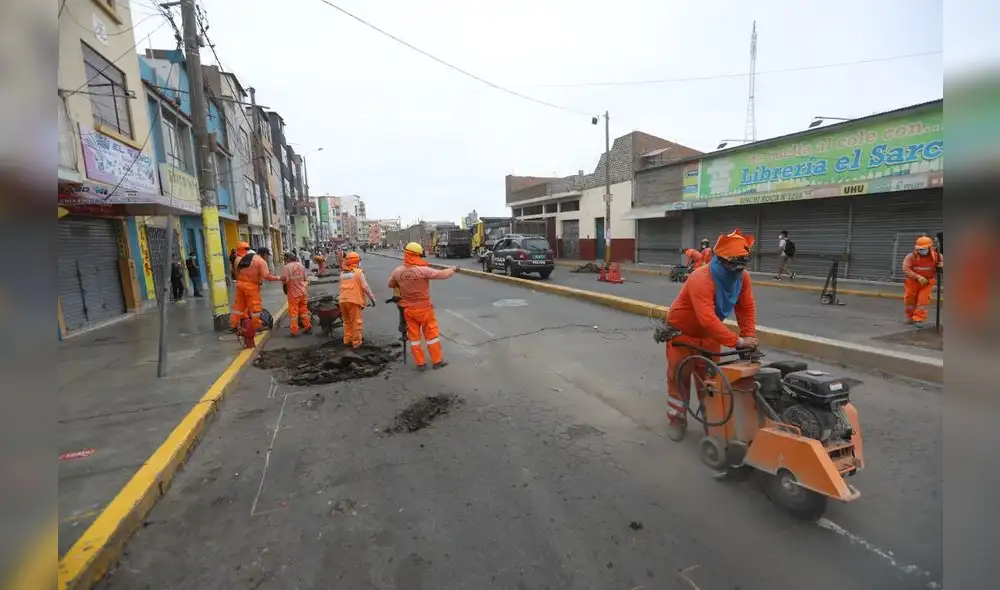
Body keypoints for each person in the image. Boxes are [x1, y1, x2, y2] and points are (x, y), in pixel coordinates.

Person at [663, 229, 758, 442]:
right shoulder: (701, 278)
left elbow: (746, 307)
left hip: (710, 337)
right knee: (679, 378)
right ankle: (677, 419)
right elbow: (706, 317)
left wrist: (749, 336)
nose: (737, 271)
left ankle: (712, 424)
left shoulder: (742, 277)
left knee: (711, 382)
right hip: (682, 335)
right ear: (719, 259)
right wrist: (738, 342)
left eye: (741, 265)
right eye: (733, 266)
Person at [387, 242, 458, 370]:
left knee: (414, 338)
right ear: (418, 255)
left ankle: (420, 364)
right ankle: (437, 361)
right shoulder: (423, 270)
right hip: (424, 309)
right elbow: (442, 275)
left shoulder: (398, 271)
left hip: (408, 310)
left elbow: (390, 284)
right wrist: (453, 269)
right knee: (431, 336)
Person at [229, 246, 281, 331]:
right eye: (267, 255)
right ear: (264, 254)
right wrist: (279, 278)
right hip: (251, 287)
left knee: (239, 306)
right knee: (255, 308)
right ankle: (257, 326)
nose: (267, 257)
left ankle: (233, 325)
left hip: (240, 285)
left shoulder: (247, 257)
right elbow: (267, 276)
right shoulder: (261, 261)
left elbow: (237, 270)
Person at [902, 235, 944, 327]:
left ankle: (918, 319)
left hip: (927, 282)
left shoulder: (938, 256)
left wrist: (942, 266)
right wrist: (917, 277)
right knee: (910, 301)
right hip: (912, 282)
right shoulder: (911, 256)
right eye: (919, 249)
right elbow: (906, 268)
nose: (921, 251)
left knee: (922, 301)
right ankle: (910, 318)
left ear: (930, 248)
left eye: (924, 249)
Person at [339, 251, 377, 348]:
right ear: (356, 261)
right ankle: (356, 343)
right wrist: (372, 299)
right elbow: (365, 287)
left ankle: (347, 340)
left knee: (347, 322)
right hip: (354, 301)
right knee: (356, 322)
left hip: (342, 300)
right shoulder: (358, 272)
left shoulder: (342, 273)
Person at [281, 252, 312, 337]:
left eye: (284, 259)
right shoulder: (301, 266)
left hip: (293, 294)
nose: (284, 260)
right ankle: (307, 326)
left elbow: (285, 281)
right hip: (303, 292)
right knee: (304, 311)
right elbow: (305, 279)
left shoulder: (287, 267)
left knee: (294, 313)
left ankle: (294, 331)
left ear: (288, 259)